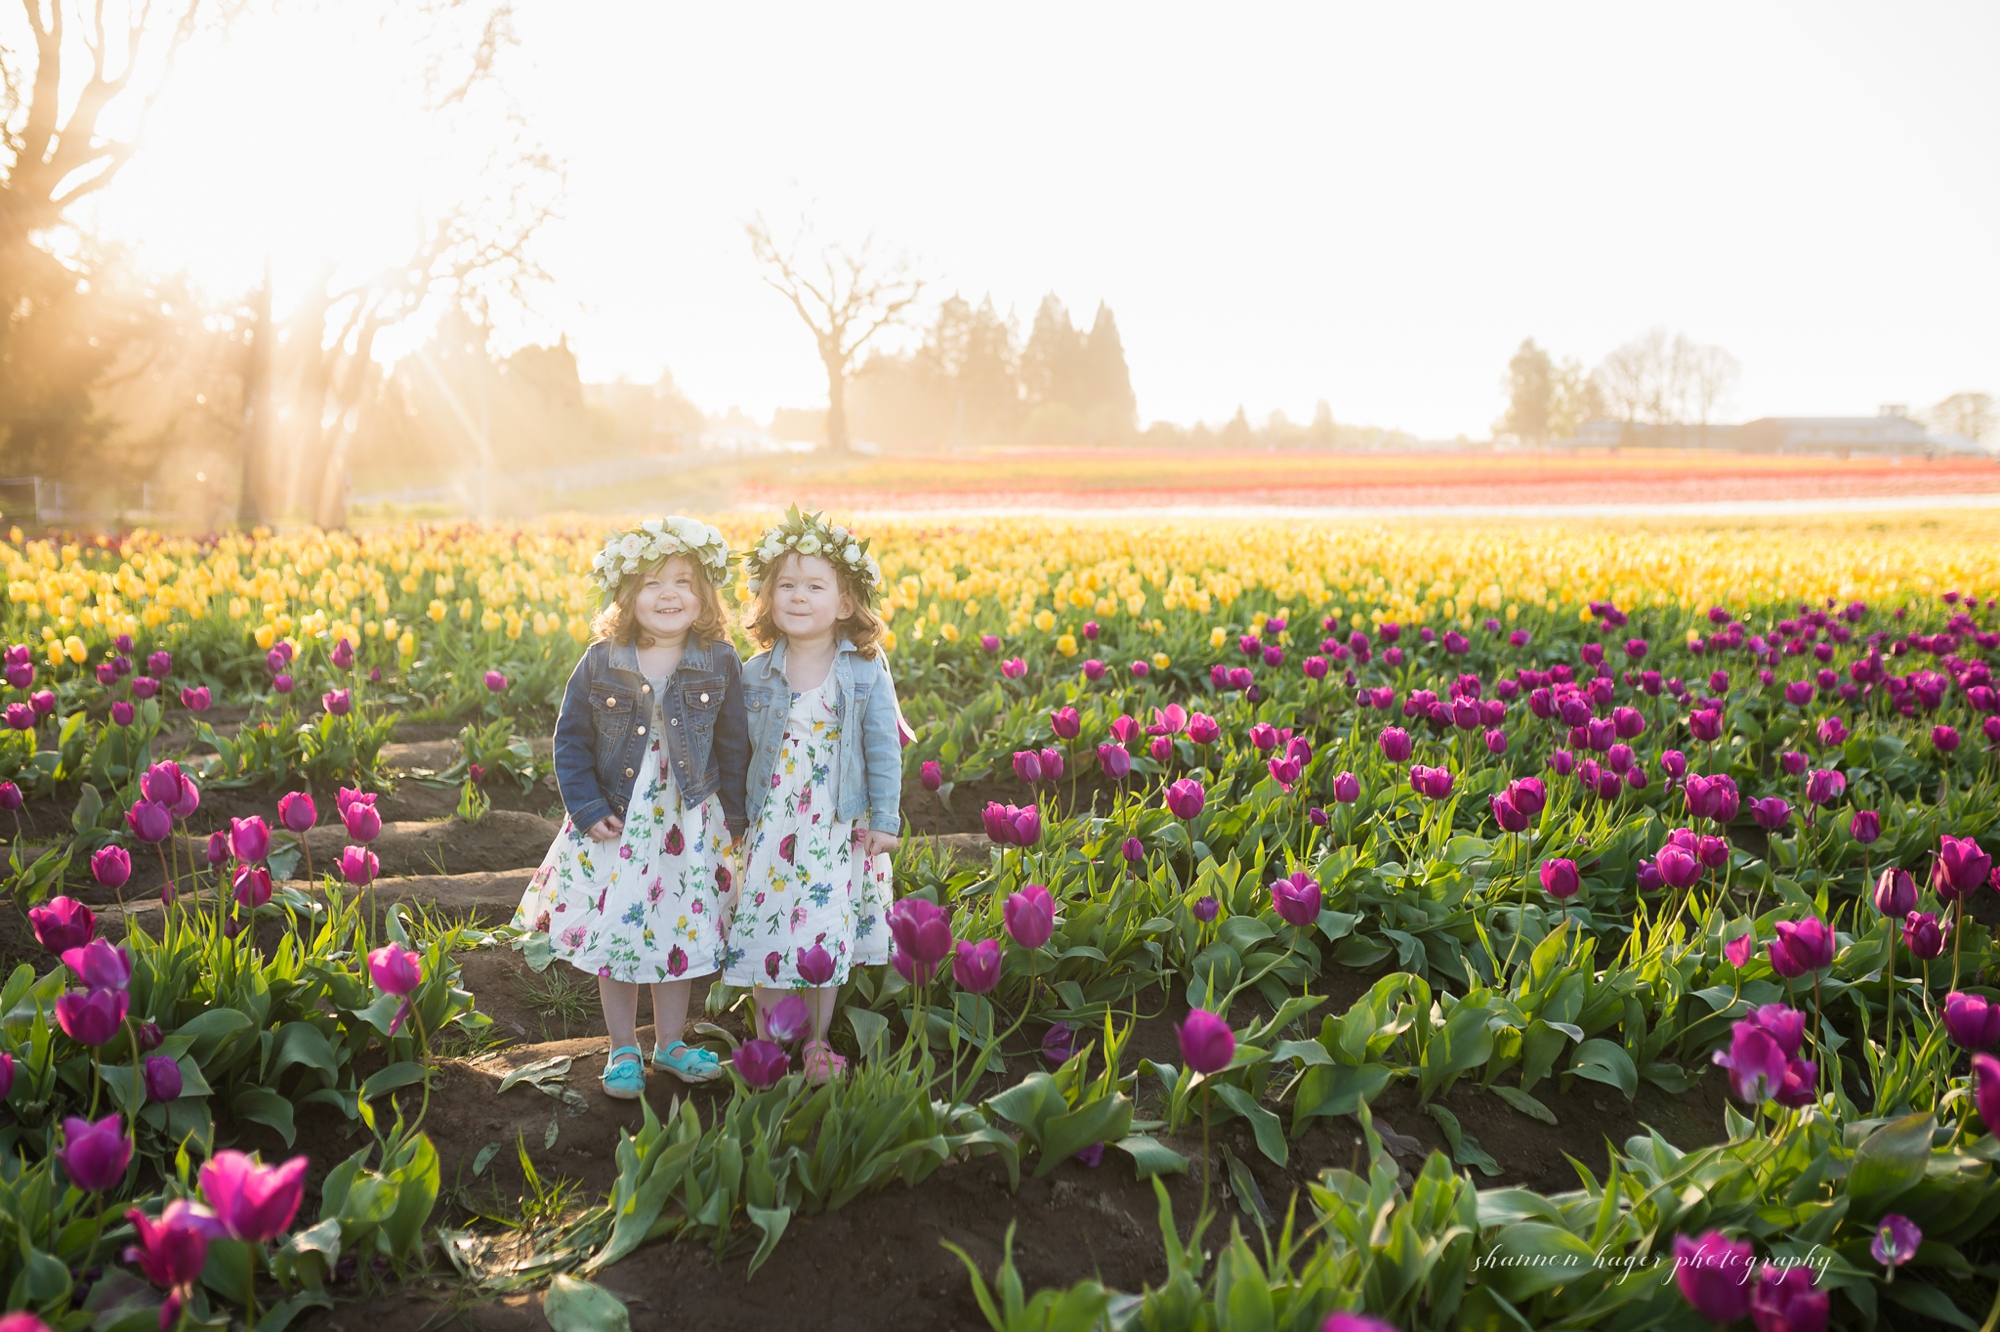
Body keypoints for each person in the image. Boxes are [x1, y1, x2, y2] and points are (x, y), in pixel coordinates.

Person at [515, 517, 748, 1099]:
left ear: (705, 596)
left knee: (680, 929)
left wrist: (739, 820)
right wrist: (587, 807)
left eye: (683, 582)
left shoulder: (719, 660)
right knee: (618, 931)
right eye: (651, 583)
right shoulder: (602, 660)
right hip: (618, 818)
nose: (668, 595)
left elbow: (734, 744)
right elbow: (569, 740)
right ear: (626, 594)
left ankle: (670, 1043)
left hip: (689, 820)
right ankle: (622, 1047)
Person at [724, 510, 902, 1084]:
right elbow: (735, 752)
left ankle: (818, 1042)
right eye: (786, 585)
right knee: (767, 923)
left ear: (847, 602)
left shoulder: (866, 670)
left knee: (823, 926)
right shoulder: (753, 673)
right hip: (773, 819)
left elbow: (883, 746)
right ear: (767, 598)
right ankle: (770, 1038)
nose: (798, 597)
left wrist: (886, 817)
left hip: (835, 821)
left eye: (815, 586)